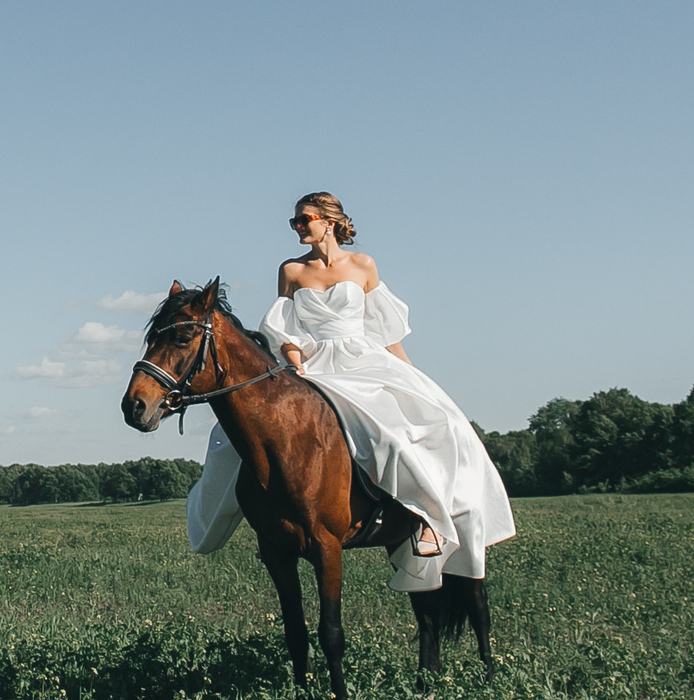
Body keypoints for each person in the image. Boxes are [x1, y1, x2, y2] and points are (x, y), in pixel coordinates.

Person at [192, 191, 514, 592]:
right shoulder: (291, 270)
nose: (297, 227)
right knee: (241, 438)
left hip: (363, 360)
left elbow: (386, 330)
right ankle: (268, 523)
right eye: (293, 222)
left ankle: (427, 521)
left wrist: (412, 375)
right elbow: (283, 330)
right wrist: (293, 360)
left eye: (303, 219)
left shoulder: (363, 265)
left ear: (329, 221)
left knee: (404, 432)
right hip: (311, 364)